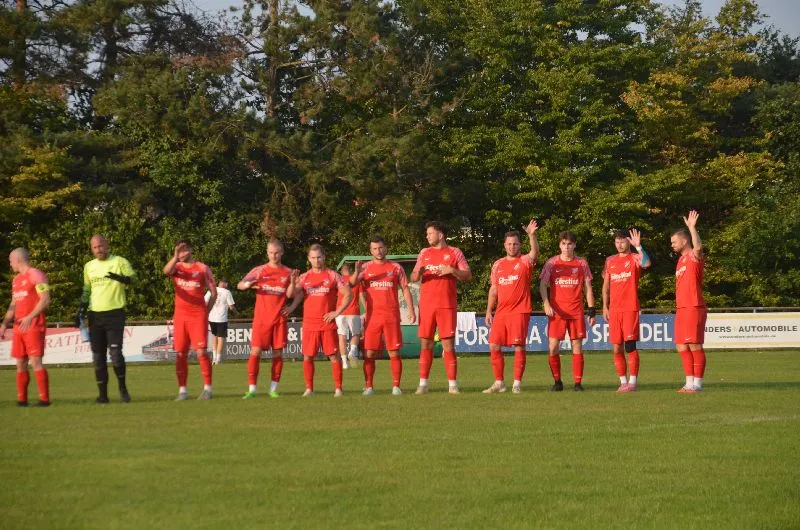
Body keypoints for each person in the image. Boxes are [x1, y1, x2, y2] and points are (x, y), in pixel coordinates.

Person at [410, 221, 472, 394]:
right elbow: (413, 277)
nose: (427, 236)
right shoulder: (424, 253)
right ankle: (423, 384)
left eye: (430, 233)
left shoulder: (455, 252)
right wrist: (418, 273)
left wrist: (452, 270)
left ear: (440, 235)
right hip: (427, 305)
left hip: (446, 305)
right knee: (426, 344)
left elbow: (468, 275)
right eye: (427, 233)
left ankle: (452, 385)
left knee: (448, 345)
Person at [284, 244, 352, 397]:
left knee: (333, 356)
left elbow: (348, 294)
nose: (317, 260)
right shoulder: (304, 277)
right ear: (309, 259)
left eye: (319, 257)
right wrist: (293, 282)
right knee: (308, 356)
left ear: (324, 257)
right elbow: (290, 295)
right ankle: (309, 389)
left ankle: (338, 389)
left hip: (327, 323)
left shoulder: (333, 275)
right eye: (313, 258)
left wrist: (337, 312)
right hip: (310, 324)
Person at [352, 236, 416, 396]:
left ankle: (396, 386)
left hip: (391, 316)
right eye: (374, 249)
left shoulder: (396, 267)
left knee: (394, 352)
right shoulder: (365, 268)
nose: (378, 251)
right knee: (369, 353)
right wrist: (357, 272)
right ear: (370, 251)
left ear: (385, 248)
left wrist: (411, 310)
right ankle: (369, 387)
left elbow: (405, 288)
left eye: (380, 248)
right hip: (373, 318)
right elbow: (351, 283)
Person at [484, 220, 539, 394]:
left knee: (519, 346)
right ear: (504, 245)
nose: (512, 247)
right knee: (494, 345)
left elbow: (534, 253)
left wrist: (532, 235)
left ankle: (516, 384)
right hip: (501, 312)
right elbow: (494, 289)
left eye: (515, 244)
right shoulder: (498, 264)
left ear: (519, 245)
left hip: (520, 310)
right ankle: (499, 382)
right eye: (509, 244)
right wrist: (489, 310)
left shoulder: (524, 261)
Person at [237, 239, 296, 399]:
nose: (273, 256)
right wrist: (247, 285)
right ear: (267, 253)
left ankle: (273, 389)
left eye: (276, 252)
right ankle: (252, 389)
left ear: (282, 252)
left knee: (277, 354)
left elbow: (293, 294)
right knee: (255, 352)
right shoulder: (259, 270)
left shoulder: (288, 272)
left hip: (279, 320)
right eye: (271, 252)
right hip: (261, 319)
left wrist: (291, 305)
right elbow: (240, 285)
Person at [82, 234, 136, 403]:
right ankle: (103, 395)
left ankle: (122, 389)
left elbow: (134, 279)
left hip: (115, 313)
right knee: (98, 357)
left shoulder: (119, 261)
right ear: (92, 249)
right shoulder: (89, 266)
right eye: (95, 247)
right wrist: (81, 308)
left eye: (101, 246)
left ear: (107, 245)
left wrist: (122, 278)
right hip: (94, 315)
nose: (98, 249)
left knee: (115, 354)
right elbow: (87, 289)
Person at [539, 231, 596, 391]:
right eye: (563, 244)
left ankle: (578, 383)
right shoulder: (551, 263)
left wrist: (591, 310)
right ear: (559, 245)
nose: (566, 247)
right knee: (553, 347)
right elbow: (542, 285)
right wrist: (546, 304)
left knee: (576, 346)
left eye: (569, 244)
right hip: (556, 313)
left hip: (576, 312)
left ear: (574, 245)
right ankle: (558, 382)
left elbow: (588, 287)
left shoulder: (582, 264)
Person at [163, 240, 216, 400]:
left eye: (184, 250)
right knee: (181, 353)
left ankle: (207, 389)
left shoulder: (202, 268)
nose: (181, 253)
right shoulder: (176, 267)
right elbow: (166, 271)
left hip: (197, 315)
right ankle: (182, 391)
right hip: (180, 316)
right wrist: (175, 257)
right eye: (178, 250)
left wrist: (206, 312)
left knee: (201, 351)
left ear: (191, 250)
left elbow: (214, 293)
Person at [602, 229, 651, 392]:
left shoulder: (635, 257)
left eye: (622, 241)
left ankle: (633, 382)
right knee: (616, 347)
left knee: (630, 345)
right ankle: (623, 381)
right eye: (617, 242)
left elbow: (647, 264)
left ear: (628, 242)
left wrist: (639, 247)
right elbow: (606, 286)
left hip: (630, 308)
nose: (619, 245)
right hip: (614, 310)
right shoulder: (610, 260)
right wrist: (605, 306)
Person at [0, 248, 51, 406]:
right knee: (20, 363)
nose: (10, 264)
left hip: (33, 325)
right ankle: (22, 400)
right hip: (18, 327)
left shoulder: (36, 275)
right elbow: (14, 304)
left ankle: (44, 399)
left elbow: (45, 299)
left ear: (18, 260)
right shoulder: (16, 280)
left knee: (35, 362)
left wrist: (30, 317)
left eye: (11, 261)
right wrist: (4, 324)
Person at [671, 210, 707, 392]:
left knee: (694, 344)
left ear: (684, 241)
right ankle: (689, 382)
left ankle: (697, 384)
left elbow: (698, 247)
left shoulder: (694, 256)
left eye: (674, 241)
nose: (672, 245)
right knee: (681, 346)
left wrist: (692, 228)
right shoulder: (680, 261)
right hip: (682, 307)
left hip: (694, 305)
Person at [336, 262, 362, 370]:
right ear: (350, 270)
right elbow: (362, 296)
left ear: (341, 271)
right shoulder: (356, 280)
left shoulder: (338, 281)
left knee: (341, 337)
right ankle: (353, 350)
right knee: (356, 334)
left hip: (340, 312)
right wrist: (367, 310)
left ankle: (344, 362)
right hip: (353, 311)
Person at [206, 279, 236, 365]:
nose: (227, 285)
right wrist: (237, 313)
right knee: (221, 338)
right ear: (223, 283)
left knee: (214, 336)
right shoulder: (227, 292)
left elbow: (205, 301)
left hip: (211, 318)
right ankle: (218, 359)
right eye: (226, 283)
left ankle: (214, 358)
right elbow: (231, 306)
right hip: (221, 318)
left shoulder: (211, 290)